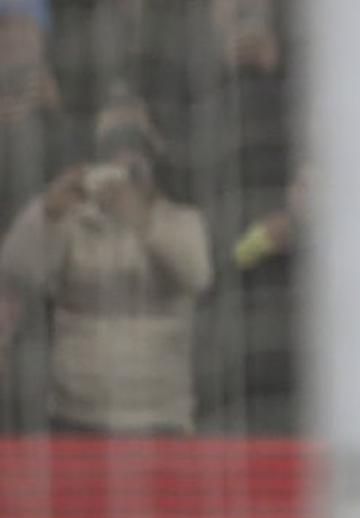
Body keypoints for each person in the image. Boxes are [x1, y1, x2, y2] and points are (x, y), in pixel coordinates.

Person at [0, 90, 211, 434]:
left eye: (136, 141)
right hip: (76, 417)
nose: (124, 157)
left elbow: (197, 274)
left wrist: (141, 221)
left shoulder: (179, 218)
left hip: (160, 418)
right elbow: (16, 271)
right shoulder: (71, 221)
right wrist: (47, 212)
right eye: (113, 142)